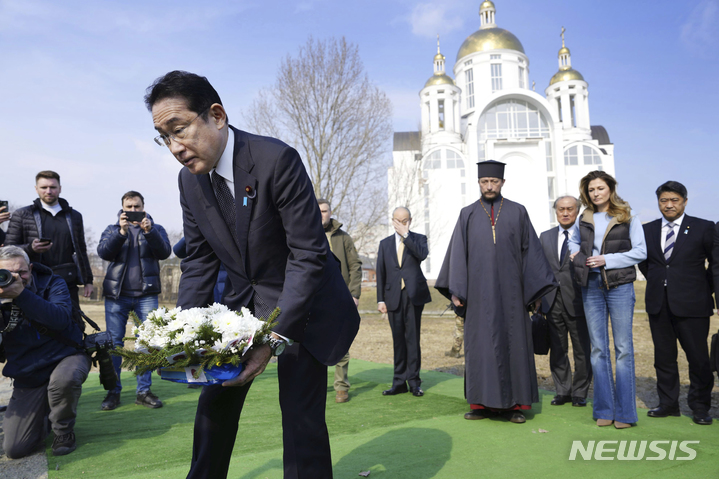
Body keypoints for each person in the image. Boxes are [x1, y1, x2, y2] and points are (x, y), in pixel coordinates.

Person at [144, 70, 360, 479]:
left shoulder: (275, 160)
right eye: (164, 137)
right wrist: (184, 332)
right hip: (241, 308)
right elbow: (200, 261)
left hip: (303, 303)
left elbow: (308, 254)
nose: (175, 147)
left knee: (300, 416)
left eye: (179, 130)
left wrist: (275, 338)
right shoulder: (189, 182)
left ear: (217, 115)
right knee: (215, 404)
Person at [435, 160, 556, 424]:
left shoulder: (518, 212)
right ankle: (480, 405)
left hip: (513, 296)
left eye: (494, 181)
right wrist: (457, 289)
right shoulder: (467, 214)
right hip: (477, 296)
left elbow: (530, 254)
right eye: (484, 182)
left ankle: (515, 406)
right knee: (481, 347)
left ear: (502, 183)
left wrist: (534, 292)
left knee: (513, 346)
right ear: (478, 183)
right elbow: (458, 254)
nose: (489, 186)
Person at [568, 170, 646, 429]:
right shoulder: (585, 217)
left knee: (623, 349)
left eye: (600, 188)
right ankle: (604, 408)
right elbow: (573, 242)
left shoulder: (627, 216)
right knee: (598, 349)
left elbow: (640, 252)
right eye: (591, 190)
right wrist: (577, 256)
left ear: (610, 188)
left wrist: (606, 260)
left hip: (620, 286)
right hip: (590, 286)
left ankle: (625, 413)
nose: (595, 193)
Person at [0, 246, 90, 458]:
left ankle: (63, 431)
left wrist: (21, 295)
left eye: (21, 272)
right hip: (28, 370)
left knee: (63, 381)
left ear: (31, 268)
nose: (15, 278)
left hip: (66, 356)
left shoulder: (52, 282)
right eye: (6, 274)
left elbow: (59, 320)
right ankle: (45, 415)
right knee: (15, 449)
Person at [638, 181, 714, 426]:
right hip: (659, 304)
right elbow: (645, 263)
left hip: (693, 304)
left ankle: (700, 407)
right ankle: (668, 404)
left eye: (674, 200)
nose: (669, 205)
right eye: (663, 200)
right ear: (658, 202)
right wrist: (662, 281)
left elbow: (716, 265)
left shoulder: (704, 227)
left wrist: (706, 291)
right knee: (664, 358)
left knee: (699, 358)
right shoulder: (647, 230)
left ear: (684, 201)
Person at [96, 191, 172, 411]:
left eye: (136, 207)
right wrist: (121, 232)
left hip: (146, 296)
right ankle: (113, 392)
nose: (132, 211)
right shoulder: (112, 230)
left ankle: (143, 392)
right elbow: (104, 253)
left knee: (145, 345)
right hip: (116, 297)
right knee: (115, 345)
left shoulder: (155, 230)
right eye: (128, 207)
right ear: (122, 208)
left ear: (143, 207)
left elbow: (164, 252)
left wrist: (149, 233)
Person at [5, 171, 94, 317]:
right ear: (36, 189)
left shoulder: (74, 216)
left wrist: (88, 280)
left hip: (67, 281)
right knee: (33, 324)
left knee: (72, 323)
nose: (48, 191)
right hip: (33, 281)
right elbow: (9, 250)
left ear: (60, 188)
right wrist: (30, 248)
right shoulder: (22, 214)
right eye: (44, 187)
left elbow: (81, 250)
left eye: (53, 187)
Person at [539, 196, 592, 408]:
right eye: (561, 209)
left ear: (577, 211)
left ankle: (579, 392)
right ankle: (562, 391)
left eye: (570, 209)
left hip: (579, 300)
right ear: (556, 211)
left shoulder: (586, 236)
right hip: (552, 301)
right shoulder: (545, 236)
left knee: (582, 350)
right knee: (558, 349)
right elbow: (539, 268)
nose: (565, 213)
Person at [376, 207, 431, 397]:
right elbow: (381, 273)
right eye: (398, 221)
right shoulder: (384, 244)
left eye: (405, 220)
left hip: (414, 295)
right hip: (393, 297)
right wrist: (380, 299)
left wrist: (406, 235)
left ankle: (414, 383)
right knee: (398, 340)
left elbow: (422, 255)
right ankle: (399, 382)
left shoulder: (419, 239)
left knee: (412, 340)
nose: (401, 224)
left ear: (410, 220)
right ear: (392, 221)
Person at [318, 198, 362, 404]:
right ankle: (316, 386)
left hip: (340, 297)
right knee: (315, 344)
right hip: (314, 298)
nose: (321, 214)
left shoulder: (343, 238)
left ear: (330, 212)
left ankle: (341, 387)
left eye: (325, 211)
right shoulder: (305, 234)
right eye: (318, 211)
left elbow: (355, 266)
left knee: (341, 343)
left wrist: (354, 294)